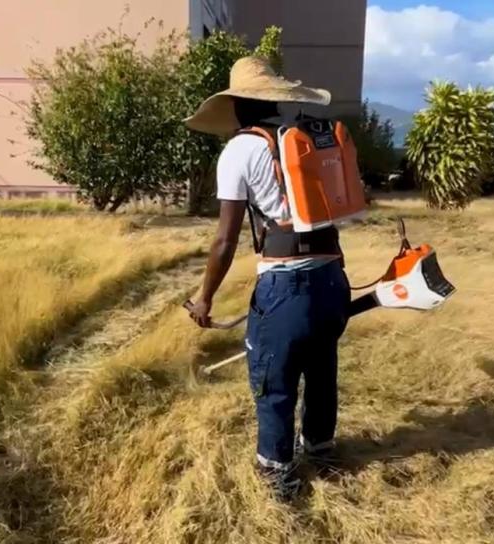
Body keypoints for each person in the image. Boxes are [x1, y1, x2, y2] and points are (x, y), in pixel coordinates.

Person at [185, 56, 351, 501]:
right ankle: (321, 449)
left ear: (237, 105)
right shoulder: (306, 138)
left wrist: (204, 298)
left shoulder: (240, 150)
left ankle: (277, 473)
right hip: (332, 277)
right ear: (276, 101)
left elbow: (225, 239)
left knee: (273, 380)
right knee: (321, 368)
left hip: (285, 287)